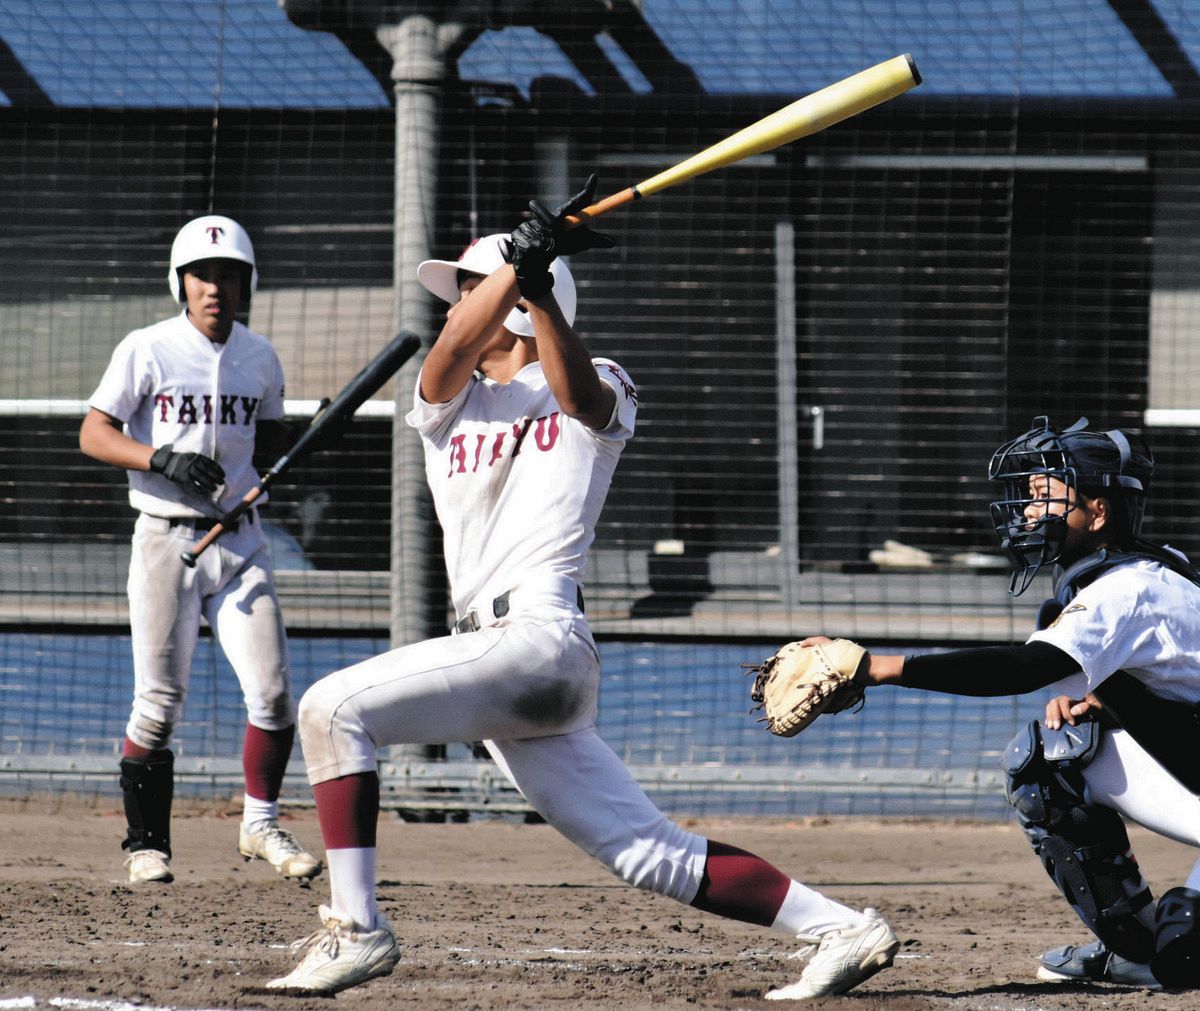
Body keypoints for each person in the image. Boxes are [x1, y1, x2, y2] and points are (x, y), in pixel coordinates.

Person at [264, 178, 900, 1001]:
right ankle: (844, 927)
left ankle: (356, 931)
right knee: (648, 851)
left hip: (538, 637)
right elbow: (455, 341)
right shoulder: (446, 404)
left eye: (475, 284)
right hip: (492, 660)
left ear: (526, 306)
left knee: (330, 709)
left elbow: (578, 397)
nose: (461, 302)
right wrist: (522, 264)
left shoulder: (598, 375)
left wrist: (536, 287)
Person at [794, 415, 1200, 990]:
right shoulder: (1148, 574)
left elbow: (1023, 668)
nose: (1030, 511)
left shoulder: (1129, 588)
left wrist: (877, 667)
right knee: (1052, 757)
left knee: (1187, 952)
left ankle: (1168, 945)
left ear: (1099, 511)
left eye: (1045, 496)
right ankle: (1134, 950)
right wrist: (1114, 706)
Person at [79, 215, 321, 886]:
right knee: (158, 700)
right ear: (181, 282)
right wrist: (160, 457)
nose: (215, 286)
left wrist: (302, 445)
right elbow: (94, 433)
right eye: (202, 274)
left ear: (247, 283)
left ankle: (260, 822)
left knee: (273, 695)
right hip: (167, 538)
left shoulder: (261, 356)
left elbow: (269, 445)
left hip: (241, 541)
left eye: (228, 275)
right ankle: (146, 844)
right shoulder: (147, 347)